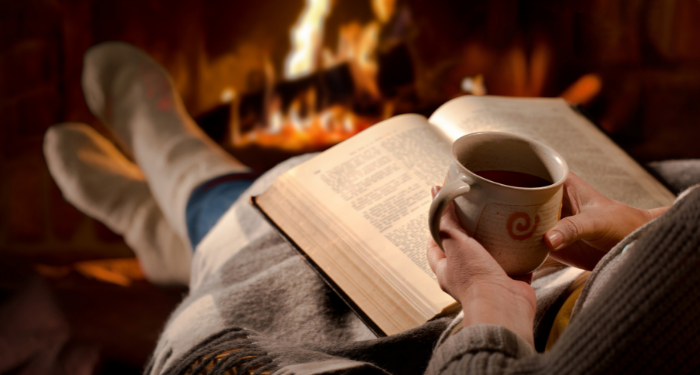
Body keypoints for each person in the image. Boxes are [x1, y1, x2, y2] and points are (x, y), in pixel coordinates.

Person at [44, 42, 700, 375]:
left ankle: (186, 182)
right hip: (603, 257)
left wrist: (491, 308)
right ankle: (180, 216)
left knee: (294, 240)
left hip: (499, 326)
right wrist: (647, 233)